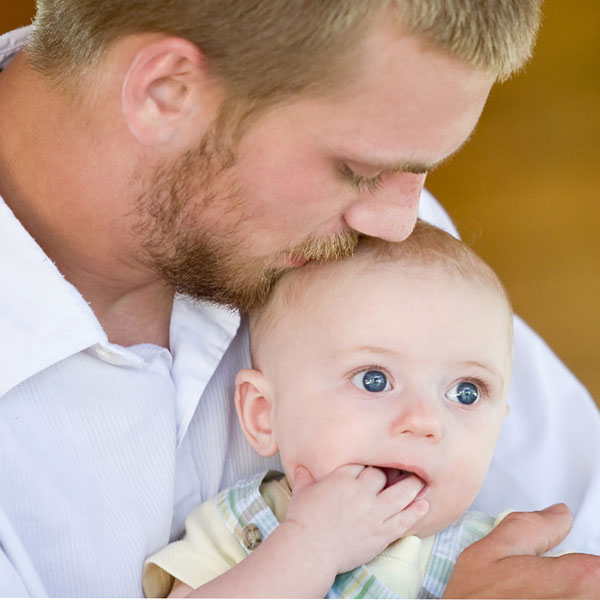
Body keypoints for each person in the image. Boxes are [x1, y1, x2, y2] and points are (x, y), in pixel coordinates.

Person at [0, 1, 598, 597]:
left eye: (421, 171)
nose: (398, 223)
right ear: (167, 91)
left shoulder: (359, 236)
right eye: (359, 169)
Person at [142, 221, 522, 599]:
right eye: (373, 380)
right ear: (263, 414)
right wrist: (310, 548)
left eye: (467, 393)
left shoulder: (503, 553)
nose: (425, 421)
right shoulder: (240, 528)